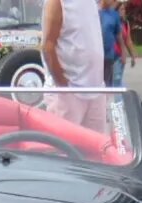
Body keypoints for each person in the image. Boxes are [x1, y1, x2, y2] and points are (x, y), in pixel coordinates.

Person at [41, 0, 107, 131]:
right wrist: (63, 85)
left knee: (95, 148)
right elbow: (48, 47)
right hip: (69, 93)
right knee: (63, 148)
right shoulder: (57, 2)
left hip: (96, 89)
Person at [113, 0, 138, 86]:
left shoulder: (125, 23)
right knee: (116, 79)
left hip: (121, 56)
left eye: (123, 9)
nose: (122, 11)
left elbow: (128, 40)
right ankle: (118, 99)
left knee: (118, 78)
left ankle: (119, 97)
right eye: (120, 9)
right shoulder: (112, 22)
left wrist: (133, 56)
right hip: (113, 56)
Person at [99, 0, 122, 87]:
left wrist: (123, 52)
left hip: (108, 54)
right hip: (96, 54)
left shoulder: (114, 15)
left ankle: (106, 99)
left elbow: (118, 35)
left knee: (107, 81)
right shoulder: (96, 13)